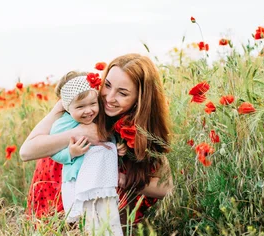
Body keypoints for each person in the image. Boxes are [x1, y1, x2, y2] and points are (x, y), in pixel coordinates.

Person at [20, 53, 173, 227]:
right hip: (58, 195)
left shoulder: (142, 128)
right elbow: (26, 151)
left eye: (122, 93)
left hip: (105, 209)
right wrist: (80, 132)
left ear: (140, 99)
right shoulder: (81, 103)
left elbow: (165, 188)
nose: (108, 98)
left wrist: (116, 178)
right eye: (107, 85)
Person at [49, 71, 125, 236]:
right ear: (68, 108)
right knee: (91, 223)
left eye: (92, 104)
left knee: (110, 218)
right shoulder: (63, 125)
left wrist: (118, 146)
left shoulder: (99, 119)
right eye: (80, 107)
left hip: (102, 182)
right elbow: (53, 152)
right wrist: (70, 152)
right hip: (79, 182)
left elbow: (105, 139)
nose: (88, 110)